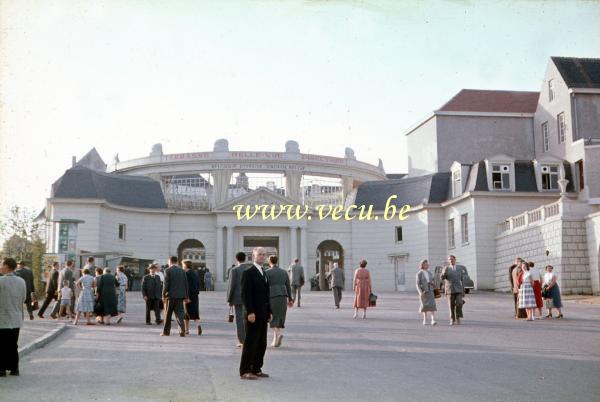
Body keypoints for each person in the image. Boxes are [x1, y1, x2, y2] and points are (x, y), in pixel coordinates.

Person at [239, 247, 272, 380]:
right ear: (253, 256)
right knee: (251, 342)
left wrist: (269, 311)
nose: (262, 257)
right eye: (259, 255)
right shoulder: (248, 272)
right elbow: (245, 294)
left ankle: (256, 368)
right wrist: (250, 312)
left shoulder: (263, 272)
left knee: (262, 342)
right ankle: (245, 370)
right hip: (253, 314)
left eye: (264, 255)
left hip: (263, 314)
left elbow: (266, 294)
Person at [0, 258, 27, 377]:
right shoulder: (21, 281)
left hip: (3, 316)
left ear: (6, 266)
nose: (0, 266)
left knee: (1, 344)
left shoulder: (1, 281)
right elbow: (24, 298)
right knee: (13, 344)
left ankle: (1, 369)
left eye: (1, 264)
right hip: (16, 316)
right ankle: (14, 368)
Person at [265, 255, 293, 348]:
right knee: (280, 316)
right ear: (277, 261)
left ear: (269, 262)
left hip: (271, 296)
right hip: (283, 296)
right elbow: (288, 286)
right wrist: (290, 299)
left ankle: (278, 334)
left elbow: (264, 287)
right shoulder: (284, 272)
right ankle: (275, 340)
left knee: (272, 316)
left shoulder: (267, 272)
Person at [161, 256, 189, 337]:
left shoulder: (167, 270)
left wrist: (163, 295)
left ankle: (166, 332)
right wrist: (186, 296)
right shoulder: (182, 271)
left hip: (170, 297)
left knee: (168, 315)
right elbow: (186, 284)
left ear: (170, 261)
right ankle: (182, 331)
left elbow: (166, 284)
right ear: (177, 262)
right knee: (180, 315)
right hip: (180, 297)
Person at [227, 252, 250, 347]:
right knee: (249, 319)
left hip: (238, 298)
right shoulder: (251, 269)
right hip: (249, 299)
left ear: (237, 259)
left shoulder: (234, 270)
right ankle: (250, 340)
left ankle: (242, 341)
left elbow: (231, 285)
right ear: (245, 258)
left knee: (240, 320)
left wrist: (229, 299)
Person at [441, 255, 470, 325]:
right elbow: (442, 278)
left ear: (455, 260)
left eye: (452, 259)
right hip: (450, 289)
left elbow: (462, 280)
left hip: (459, 289)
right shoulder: (446, 268)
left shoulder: (460, 268)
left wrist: (463, 290)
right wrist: (443, 273)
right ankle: (452, 319)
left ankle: (458, 317)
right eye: (449, 259)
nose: (451, 260)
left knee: (459, 303)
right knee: (451, 305)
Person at [416, 259, 437, 325]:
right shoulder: (419, 273)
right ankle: (424, 319)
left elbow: (433, 280)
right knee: (424, 306)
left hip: (430, 290)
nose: (427, 265)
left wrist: (433, 284)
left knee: (432, 305)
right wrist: (420, 292)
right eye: (426, 264)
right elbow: (417, 284)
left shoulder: (429, 272)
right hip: (424, 291)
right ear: (422, 265)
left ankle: (433, 320)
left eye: (427, 264)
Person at [183, 260, 200, 335]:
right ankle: (198, 325)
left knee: (186, 314)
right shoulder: (195, 273)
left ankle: (187, 330)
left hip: (188, 296)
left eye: (183, 265)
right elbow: (198, 284)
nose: (182, 266)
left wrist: (186, 297)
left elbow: (186, 286)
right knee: (195, 313)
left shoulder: (186, 274)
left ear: (185, 265)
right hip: (195, 296)